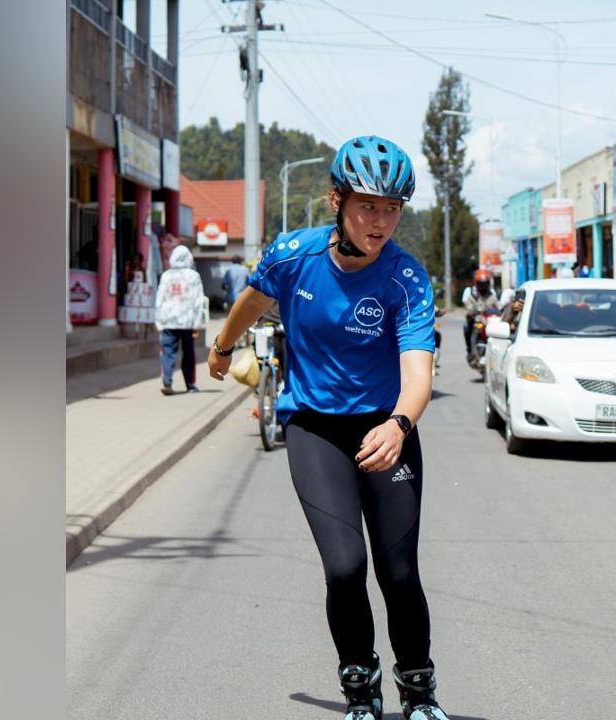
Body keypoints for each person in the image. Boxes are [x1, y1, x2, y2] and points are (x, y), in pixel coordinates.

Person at [206, 136, 451, 720]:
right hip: (315, 429)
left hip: (385, 430)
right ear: (337, 201)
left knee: (398, 572)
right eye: (368, 205)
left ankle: (419, 694)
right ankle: (360, 688)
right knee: (345, 566)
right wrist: (221, 347)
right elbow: (250, 301)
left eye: (392, 208)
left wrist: (398, 424)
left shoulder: (406, 278)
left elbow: (418, 375)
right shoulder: (294, 255)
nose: (381, 221)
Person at [154, 244, 207, 395]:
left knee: (168, 353)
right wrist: (197, 324)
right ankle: (190, 384)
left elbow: (159, 299)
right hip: (188, 322)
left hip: (168, 320)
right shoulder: (193, 276)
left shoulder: (166, 276)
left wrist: (158, 321)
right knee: (189, 354)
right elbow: (198, 301)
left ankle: (167, 382)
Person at [462, 268, 500, 360]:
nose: (483, 286)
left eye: (485, 283)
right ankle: (470, 350)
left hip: (490, 322)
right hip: (476, 321)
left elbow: (499, 307)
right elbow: (468, 308)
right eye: (481, 284)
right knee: (466, 327)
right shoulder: (472, 296)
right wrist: (470, 313)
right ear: (476, 283)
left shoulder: (492, 296)